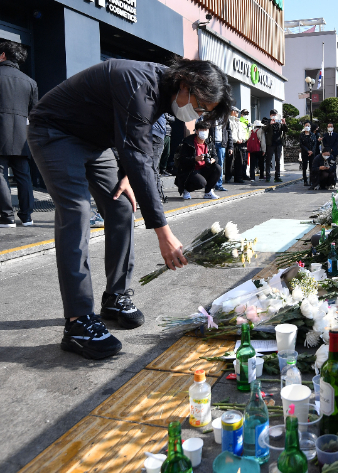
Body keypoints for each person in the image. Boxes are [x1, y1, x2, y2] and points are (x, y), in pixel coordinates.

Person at [28, 57, 232, 359]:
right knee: (76, 213)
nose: (197, 115)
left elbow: (147, 145)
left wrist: (127, 176)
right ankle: (78, 322)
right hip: (56, 132)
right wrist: (163, 233)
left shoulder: (165, 96)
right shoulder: (137, 82)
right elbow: (136, 153)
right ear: (186, 84)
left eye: (204, 113)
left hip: (95, 143)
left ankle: (115, 297)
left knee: (122, 206)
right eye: (200, 106)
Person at [0, 40, 37, 228]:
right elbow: (34, 113)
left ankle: (6, 217)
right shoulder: (30, 82)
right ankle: (27, 216)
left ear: (3, 55)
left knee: (0, 173)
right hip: (22, 136)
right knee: (23, 175)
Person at [175, 121, 221, 200]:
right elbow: (182, 160)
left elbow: (215, 156)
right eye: (202, 130)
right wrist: (195, 159)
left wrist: (213, 160)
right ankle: (186, 189)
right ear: (196, 131)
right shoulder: (188, 142)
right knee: (201, 183)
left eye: (206, 130)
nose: (204, 132)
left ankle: (208, 192)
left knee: (217, 168)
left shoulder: (209, 141)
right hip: (191, 170)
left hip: (204, 168)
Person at [208, 114, 232, 191]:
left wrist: (230, 146)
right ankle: (210, 184)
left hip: (222, 144)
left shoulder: (225, 118)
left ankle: (219, 184)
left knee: (220, 165)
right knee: (210, 163)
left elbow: (229, 132)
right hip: (212, 144)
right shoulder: (210, 117)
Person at [265, 109, 288, 183]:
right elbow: (264, 129)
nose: (274, 116)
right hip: (270, 144)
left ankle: (277, 176)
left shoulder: (279, 122)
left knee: (278, 160)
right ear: (270, 115)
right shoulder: (267, 121)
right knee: (268, 160)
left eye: (275, 114)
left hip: (278, 143)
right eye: (273, 114)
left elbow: (285, 130)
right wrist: (269, 124)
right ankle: (268, 177)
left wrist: (284, 123)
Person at [150, 113, 169, 202]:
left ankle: (156, 197)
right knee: (153, 168)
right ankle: (158, 196)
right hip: (153, 135)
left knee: (152, 168)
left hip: (155, 136)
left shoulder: (155, 103)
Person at [299, 121, 317, 186]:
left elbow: (315, 144)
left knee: (311, 167)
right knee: (304, 167)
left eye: (308, 126)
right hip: (304, 153)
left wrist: (311, 151)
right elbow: (301, 144)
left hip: (312, 153)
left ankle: (311, 181)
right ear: (304, 126)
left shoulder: (313, 135)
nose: (307, 127)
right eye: (306, 125)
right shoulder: (301, 135)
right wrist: (307, 151)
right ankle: (305, 180)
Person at [224, 107, 239, 183]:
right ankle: (228, 177)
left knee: (237, 160)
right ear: (232, 111)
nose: (238, 113)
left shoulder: (236, 121)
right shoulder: (228, 120)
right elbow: (230, 133)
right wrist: (235, 140)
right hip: (231, 142)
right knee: (229, 161)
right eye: (236, 112)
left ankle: (236, 177)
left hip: (237, 143)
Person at [235, 109, 251, 181]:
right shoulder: (240, 122)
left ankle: (244, 174)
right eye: (244, 113)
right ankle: (239, 175)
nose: (246, 115)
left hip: (246, 142)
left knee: (245, 159)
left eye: (247, 113)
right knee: (240, 159)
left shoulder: (247, 122)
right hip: (241, 142)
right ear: (241, 114)